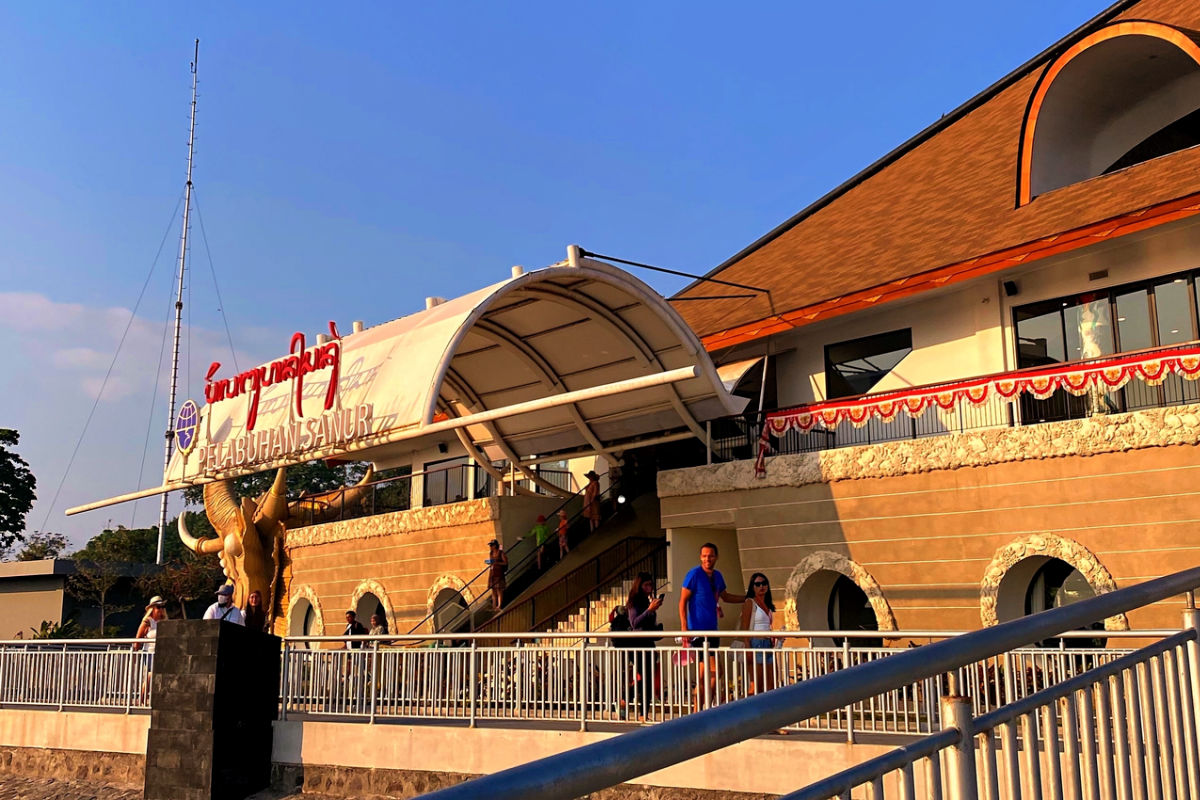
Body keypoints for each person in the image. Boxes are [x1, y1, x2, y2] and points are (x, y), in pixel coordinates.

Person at [678, 543, 743, 708]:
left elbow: (725, 597)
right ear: (700, 557)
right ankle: (700, 709)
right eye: (705, 555)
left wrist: (747, 597)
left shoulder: (717, 576)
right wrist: (684, 628)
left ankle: (702, 708)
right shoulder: (694, 574)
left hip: (713, 629)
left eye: (711, 555)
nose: (708, 558)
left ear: (716, 557)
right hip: (698, 631)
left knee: (710, 673)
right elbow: (682, 601)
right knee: (709, 672)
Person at [626, 572, 664, 721]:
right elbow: (634, 622)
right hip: (638, 643)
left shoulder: (648, 600)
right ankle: (642, 712)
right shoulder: (634, 601)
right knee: (646, 678)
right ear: (640, 586)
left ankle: (628, 699)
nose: (649, 588)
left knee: (648, 678)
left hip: (648, 642)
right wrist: (650, 610)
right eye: (646, 585)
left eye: (651, 585)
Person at [739, 572, 779, 696]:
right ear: (753, 587)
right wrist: (748, 648)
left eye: (764, 583)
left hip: (767, 643)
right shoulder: (750, 603)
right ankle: (748, 711)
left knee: (771, 683)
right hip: (756, 643)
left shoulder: (767, 604)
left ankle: (768, 712)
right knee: (756, 684)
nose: (761, 586)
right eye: (757, 584)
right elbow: (744, 628)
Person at [134, 596, 168, 703]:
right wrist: (135, 653)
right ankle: (142, 698)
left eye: (162, 607)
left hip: (161, 653)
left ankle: (151, 698)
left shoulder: (164, 621)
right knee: (150, 674)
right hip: (149, 652)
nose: (161, 609)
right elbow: (138, 638)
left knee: (157, 675)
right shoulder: (147, 621)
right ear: (152, 609)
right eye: (158, 607)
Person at [487, 539, 508, 611]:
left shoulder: (501, 553)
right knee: (493, 590)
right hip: (493, 573)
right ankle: (494, 606)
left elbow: (505, 562)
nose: (490, 547)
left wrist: (498, 563)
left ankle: (499, 606)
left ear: (495, 545)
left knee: (499, 590)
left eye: (491, 545)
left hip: (499, 573)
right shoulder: (491, 553)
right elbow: (491, 564)